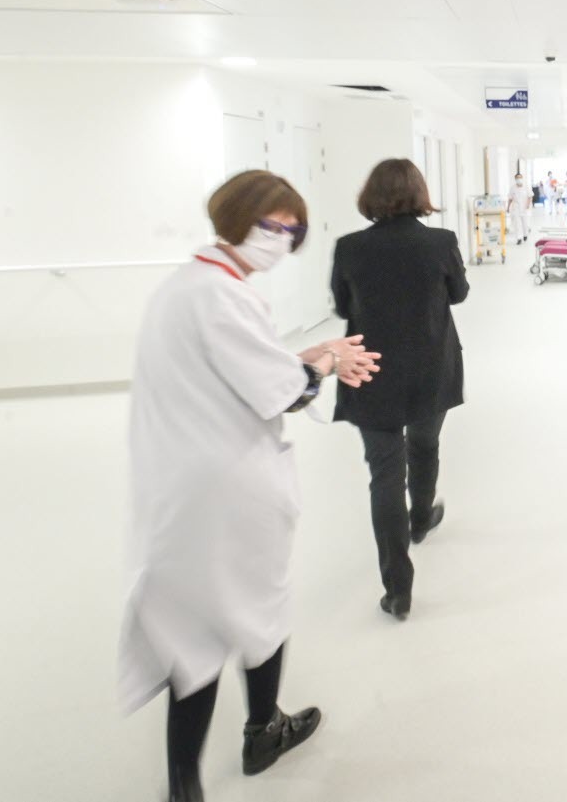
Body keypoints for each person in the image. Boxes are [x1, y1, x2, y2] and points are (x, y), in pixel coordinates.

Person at [118, 170, 382, 802]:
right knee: (257, 608)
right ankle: (264, 730)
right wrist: (327, 363)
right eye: (273, 226)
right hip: (229, 485)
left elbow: (242, 370)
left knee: (192, 630)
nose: (282, 240)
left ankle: (184, 782)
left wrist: (311, 353)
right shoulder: (225, 297)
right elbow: (284, 391)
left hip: (178, 485)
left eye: (292, 231)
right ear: (235, 217)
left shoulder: (185, 287)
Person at [331, 159, 470, 622]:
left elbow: (342, 305)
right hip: (431, 365)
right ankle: (421, 517)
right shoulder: (440, 242)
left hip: (370, 371)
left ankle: (398, 589)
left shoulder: (349, 247)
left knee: (384, 474)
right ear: (419, 193)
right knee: (425, 443)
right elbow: (459, 294)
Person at [506, 170, 533, 244]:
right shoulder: (512, 188)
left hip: (524, 207)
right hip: (516, 208)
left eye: (520, 177)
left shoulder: (526, 187)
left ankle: (525, 234)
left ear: (522, 178)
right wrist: (508, 207)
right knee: (517, 223)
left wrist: (528, 204)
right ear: (515, 179)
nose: (519, 179)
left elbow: (530, 196)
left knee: (525, 222)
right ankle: (519, 238)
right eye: (517, 178)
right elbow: (510, 198)